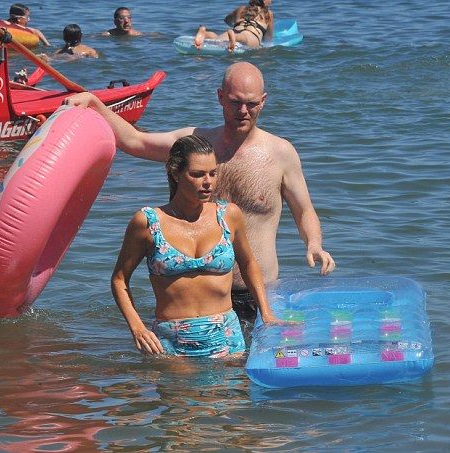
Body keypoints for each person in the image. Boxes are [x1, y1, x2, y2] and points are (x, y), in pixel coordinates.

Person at [64, 62, 335, 323]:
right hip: (197, 297)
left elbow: (304, 210)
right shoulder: (194, 145)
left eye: (251, 104)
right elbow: (135, 141)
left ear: (263, 101)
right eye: (235, 102)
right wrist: (94, 103)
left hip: (259, 294)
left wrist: (314, 244)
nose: (243, 111)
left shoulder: (281, 153)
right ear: (220, 97)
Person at [111, 135, 279, 356]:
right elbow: (119, 279)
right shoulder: (148, 222)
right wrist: (137, 328)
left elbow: (248, 264)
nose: (208, 182)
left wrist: (266, 313)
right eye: (197, 174)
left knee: (234, 381)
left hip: (227, 337)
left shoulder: (228, 215)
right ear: (175, 173)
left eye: (213, 173)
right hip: (171, 342)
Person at [194, 0, 274, 53]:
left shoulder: (241, 9)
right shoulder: (268, 13)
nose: (271, 1)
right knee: (245, 38)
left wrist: (237, 23)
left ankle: (206, 33)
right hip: (251, 34)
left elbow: (227, 20)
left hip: (236, 29)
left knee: (218, 39)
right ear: (264, 1)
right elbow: (268, 38)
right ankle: (234, 36)